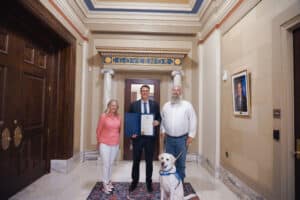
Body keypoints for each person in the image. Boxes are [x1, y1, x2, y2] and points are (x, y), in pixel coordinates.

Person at [160, 85, 197, 182]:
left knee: (181, 163)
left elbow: (193, 120)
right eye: (174, 90)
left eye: (178, 90)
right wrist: (163, 131)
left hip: (182, 139)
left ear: (181, 92)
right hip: (169, 139)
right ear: (171, 92)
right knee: (168, 162)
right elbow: (163, 120)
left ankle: (180, 183)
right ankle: (169, 182)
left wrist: (191, 135)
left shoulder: (187, 105)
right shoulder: (166, 105)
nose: (176, 92)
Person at [129, 84, 161, 193]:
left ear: (149, 92)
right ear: (140, 92)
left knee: (149, 161)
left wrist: (157, 122)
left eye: (147, 91)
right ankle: (134, 181)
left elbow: (158, 117)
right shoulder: (134, 105)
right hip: (137, 138)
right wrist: (131, 133)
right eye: (143, 91)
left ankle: (149, 182)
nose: (145, 93)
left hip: (150, 138)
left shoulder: (155, 105)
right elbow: (130, 120)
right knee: (136, 161)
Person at [96, 99, 121, 194]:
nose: (113, 107)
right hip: (104, 143)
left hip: (115, 143)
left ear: (117, 107)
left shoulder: (118, 117)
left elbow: (119, 130)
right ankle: (105, 184)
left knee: (110, 164)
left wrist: (118, 141)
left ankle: (109, 180)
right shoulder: (103, 116)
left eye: (115, 105)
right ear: (108, 106)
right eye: (112, 105)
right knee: (106, 164)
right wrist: (98, 143)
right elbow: (98, 130)